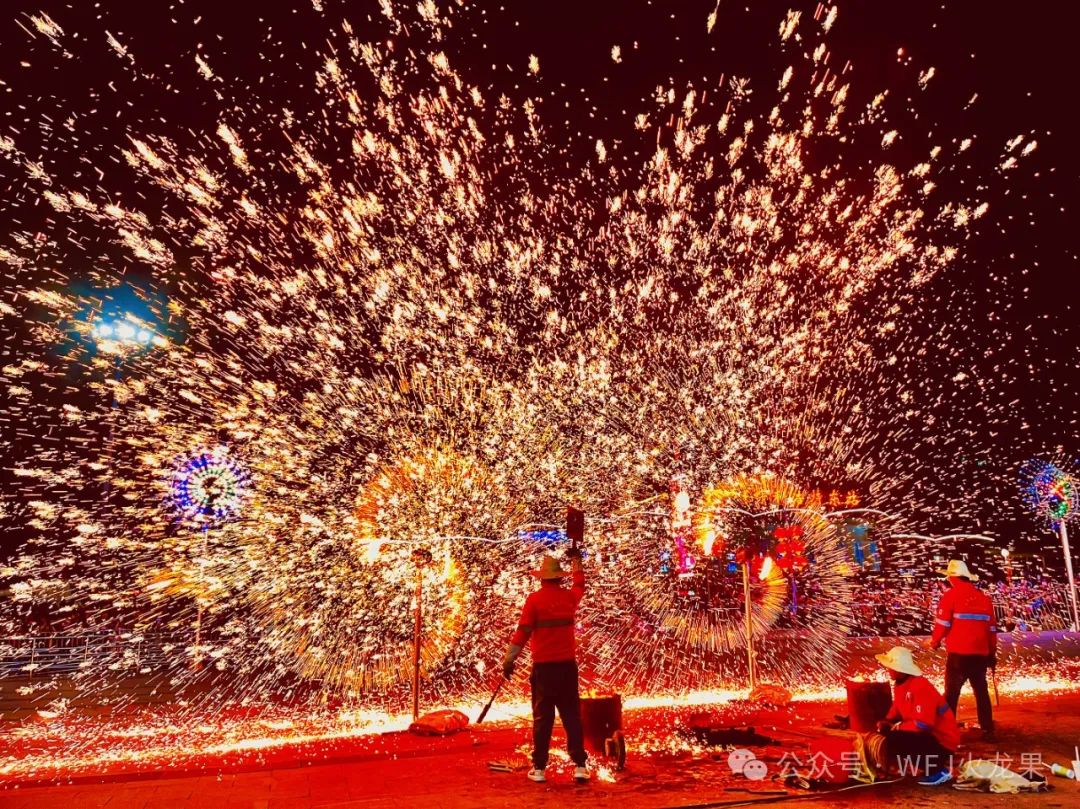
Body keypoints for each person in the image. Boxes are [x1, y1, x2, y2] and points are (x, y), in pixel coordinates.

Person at [503, 550, 588, 784]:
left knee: (543, 719)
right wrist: (576, 561)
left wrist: (509, 660)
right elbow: (580, 586)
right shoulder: (569, 599)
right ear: (560, 578)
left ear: (542, 579)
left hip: (544, 670)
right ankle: (580, 766)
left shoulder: (534, 600)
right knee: (572, 717)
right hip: (567, 667)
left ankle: (539, 768)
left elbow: (522, 632)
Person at [926, 559, 997, 740]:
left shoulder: (950, 596)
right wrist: (992, 653)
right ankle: (987, 729)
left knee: (951, 694)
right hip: (980, 655)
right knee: (981, 692)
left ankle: (947, 730)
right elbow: (991, 630)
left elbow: (942, 624)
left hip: (958, 655)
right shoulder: (984, 599)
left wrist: (935, 641)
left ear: (952, 578)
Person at [875, 645, 960, 786]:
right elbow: (897, 707)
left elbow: (923, 724)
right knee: (890, 736)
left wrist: (897, 727)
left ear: (899, 669)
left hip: (942, 742)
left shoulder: (920, 687)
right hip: (931, 737)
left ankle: (938, 770)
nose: (888, 670)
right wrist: (886, 721)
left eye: (891, 667)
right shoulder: (901, 684)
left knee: (896, 740)